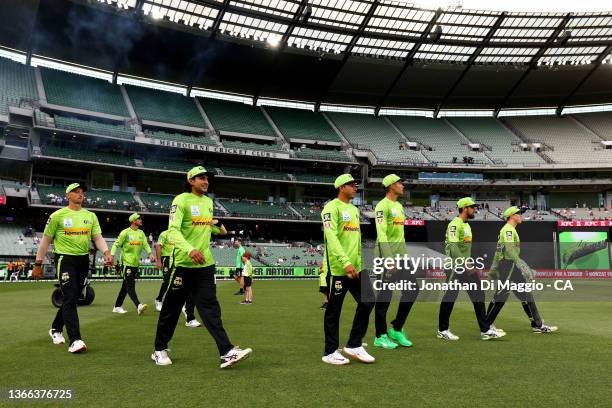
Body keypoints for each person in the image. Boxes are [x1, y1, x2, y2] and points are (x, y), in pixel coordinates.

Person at [152, 166, 252, 367]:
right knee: (171, 309)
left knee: (210, 308)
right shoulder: (180, 201)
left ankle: (226, 351)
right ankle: (159, 349)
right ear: (191, 180)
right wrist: (189, 250)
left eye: (207, 179)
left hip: (205, 265)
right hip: (182, 264)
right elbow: (173, 231)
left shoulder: (208, 202)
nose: (206, 182)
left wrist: (218, 226)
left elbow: (205, 227)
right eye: (201, 178)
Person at [32, 182, 113, 353]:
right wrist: (38, 264)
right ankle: (75, 340)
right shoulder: (57, 216)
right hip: (65, 259)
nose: (80, 194)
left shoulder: (90, 216)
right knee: (69, 297)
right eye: (76, 192)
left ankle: (55, 328)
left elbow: (97, 237)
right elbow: (46, 241)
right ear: (67, 195)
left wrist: (107, 252)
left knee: (73, 297)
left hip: (83, 260)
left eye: (82, 191)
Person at [321, 174, 375, 365]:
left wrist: (358, 264)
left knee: (368, 301)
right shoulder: (330, 208)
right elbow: (332, 237)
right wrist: (345, 262)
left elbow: (356, 241)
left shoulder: (353, 209)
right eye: (352, 185)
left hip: (356, 268)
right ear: (341, 187)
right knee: (334, 310)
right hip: (338, 269)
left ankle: (354, 344)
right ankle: (329, 352)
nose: (355, 188)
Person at [437, 197, 505, 341]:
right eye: (473, 207)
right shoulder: (454, 224)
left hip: (466, 267)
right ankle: (442, 330)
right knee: (449, 298)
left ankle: (485, 330)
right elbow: (452, 247)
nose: (475, 210)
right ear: (465, 208)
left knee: (479, 295)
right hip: (455, 267)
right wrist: (465, 263)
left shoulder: (466, 225)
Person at [486, 206, 558, 334]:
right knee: (501, 295)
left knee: (526, 295)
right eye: (519, 213)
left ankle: (537, 324)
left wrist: (498, 266)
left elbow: (501, 251)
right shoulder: (508, 230)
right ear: (512, 216)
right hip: (508, 265)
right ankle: (486, 324)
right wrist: (520, 263)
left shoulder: (510, 230)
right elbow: (509, 249)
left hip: (511, 265)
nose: (521, 215)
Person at [373, 174, 418, 350]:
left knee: (412, 290)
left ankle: (396, 328)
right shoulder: (382, 206)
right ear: (391, 186)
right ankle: (380, 336)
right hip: (386, 258)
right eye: (400, 183)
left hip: (401, 258)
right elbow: (382, 233)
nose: (402, 186)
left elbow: (400, 236)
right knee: (385, 297)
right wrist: (390, 260)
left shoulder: (399, 206)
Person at [154, 229, 201, 327]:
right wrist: (158, 260)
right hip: (168, 260)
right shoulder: (165, 233)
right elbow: (158, 246)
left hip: (183, 260)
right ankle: (159, 300)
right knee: (168, 283)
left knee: (189, 287)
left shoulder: (185, 232)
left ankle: (189, 316)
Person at [111, 213, 155, 315]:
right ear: (133, 221)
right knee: (130, 285)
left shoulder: (141, 233)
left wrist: (150, 254)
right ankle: (138, 306)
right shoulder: (125, 232)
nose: (141, 220)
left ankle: (117, 306)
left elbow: (145, 244)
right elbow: (116, 244)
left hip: (135, 264)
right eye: (139, 219)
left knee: (125, 286)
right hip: (126, 263)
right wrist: (112, 255)